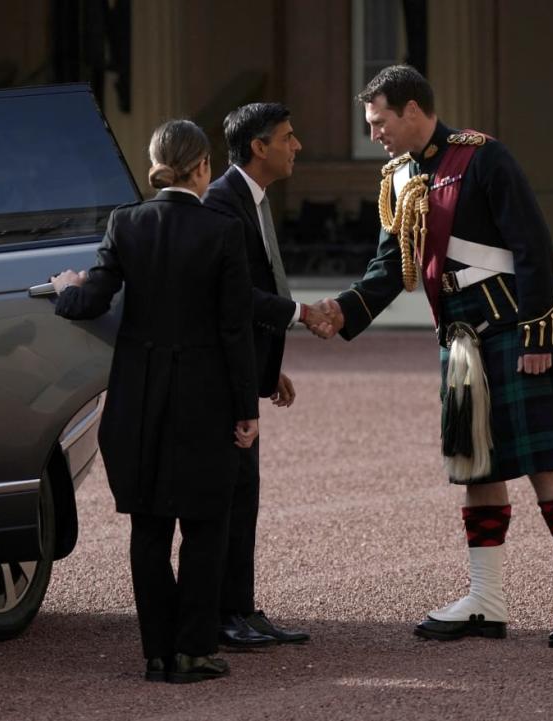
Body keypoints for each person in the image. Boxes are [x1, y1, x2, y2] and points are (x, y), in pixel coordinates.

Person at [316, 65, 553, 648]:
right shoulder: (398, 177)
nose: (375, 135)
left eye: (379, 123)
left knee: (543, 457)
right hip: (457, 337)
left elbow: (533, 246)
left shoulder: (483, 158)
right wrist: (344, 310)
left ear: (413, 110)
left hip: (506, 326)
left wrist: (537, 335)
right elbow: (388, 267)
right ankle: (486, 599)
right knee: (477, 466)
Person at [50, 119, 259, 682]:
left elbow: (91, 298)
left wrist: (67, 289)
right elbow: (235, 331)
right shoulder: (223, 230)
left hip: (139, 399)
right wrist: (248, 409)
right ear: (202, 169)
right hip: (205, 398)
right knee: (205, 527)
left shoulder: (126, 223)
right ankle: (192, 650)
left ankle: (157, 653)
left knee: (149, 529)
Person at [203, 102, 324, 647]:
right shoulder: (224, 204)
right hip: (216, 380)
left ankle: (241, 609)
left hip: (243, 371)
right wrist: (300, 315)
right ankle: (220, 615)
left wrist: (269, 369)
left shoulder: (251, 198)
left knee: (243, 493)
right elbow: (233, 297)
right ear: (258, 147)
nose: (296, 146)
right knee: (226, 495)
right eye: (288, 137)